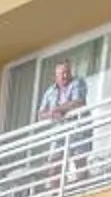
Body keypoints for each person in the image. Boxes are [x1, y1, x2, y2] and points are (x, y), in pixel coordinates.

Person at [38, 58, 91, 186]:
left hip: (78, 128)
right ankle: (55, 195)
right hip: (59, 131)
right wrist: (51, 114)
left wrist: (59, 109)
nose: (65, 76)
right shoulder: (50, 91)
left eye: (67, 72)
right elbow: (40, 114)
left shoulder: (78, 82)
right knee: (55, 164)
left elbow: (79, 102)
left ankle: (82, 189)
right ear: (55, 76)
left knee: (79, 160)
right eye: (62, 73)